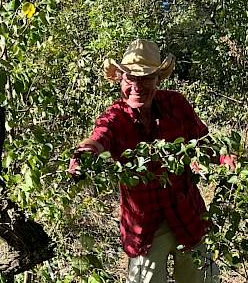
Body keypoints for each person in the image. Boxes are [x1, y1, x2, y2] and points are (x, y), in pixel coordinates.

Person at [68, 39, 221, 283]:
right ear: (120, 79)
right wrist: (86, 154)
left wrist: (226, 157)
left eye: (146, 78)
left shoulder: (176, 105)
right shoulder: (115, 117)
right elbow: (100, 137)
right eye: (131, 78)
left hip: (188, 215)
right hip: (145, 227)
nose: (137, 86)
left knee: (202, 278)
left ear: (158, 79)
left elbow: (203, 143)